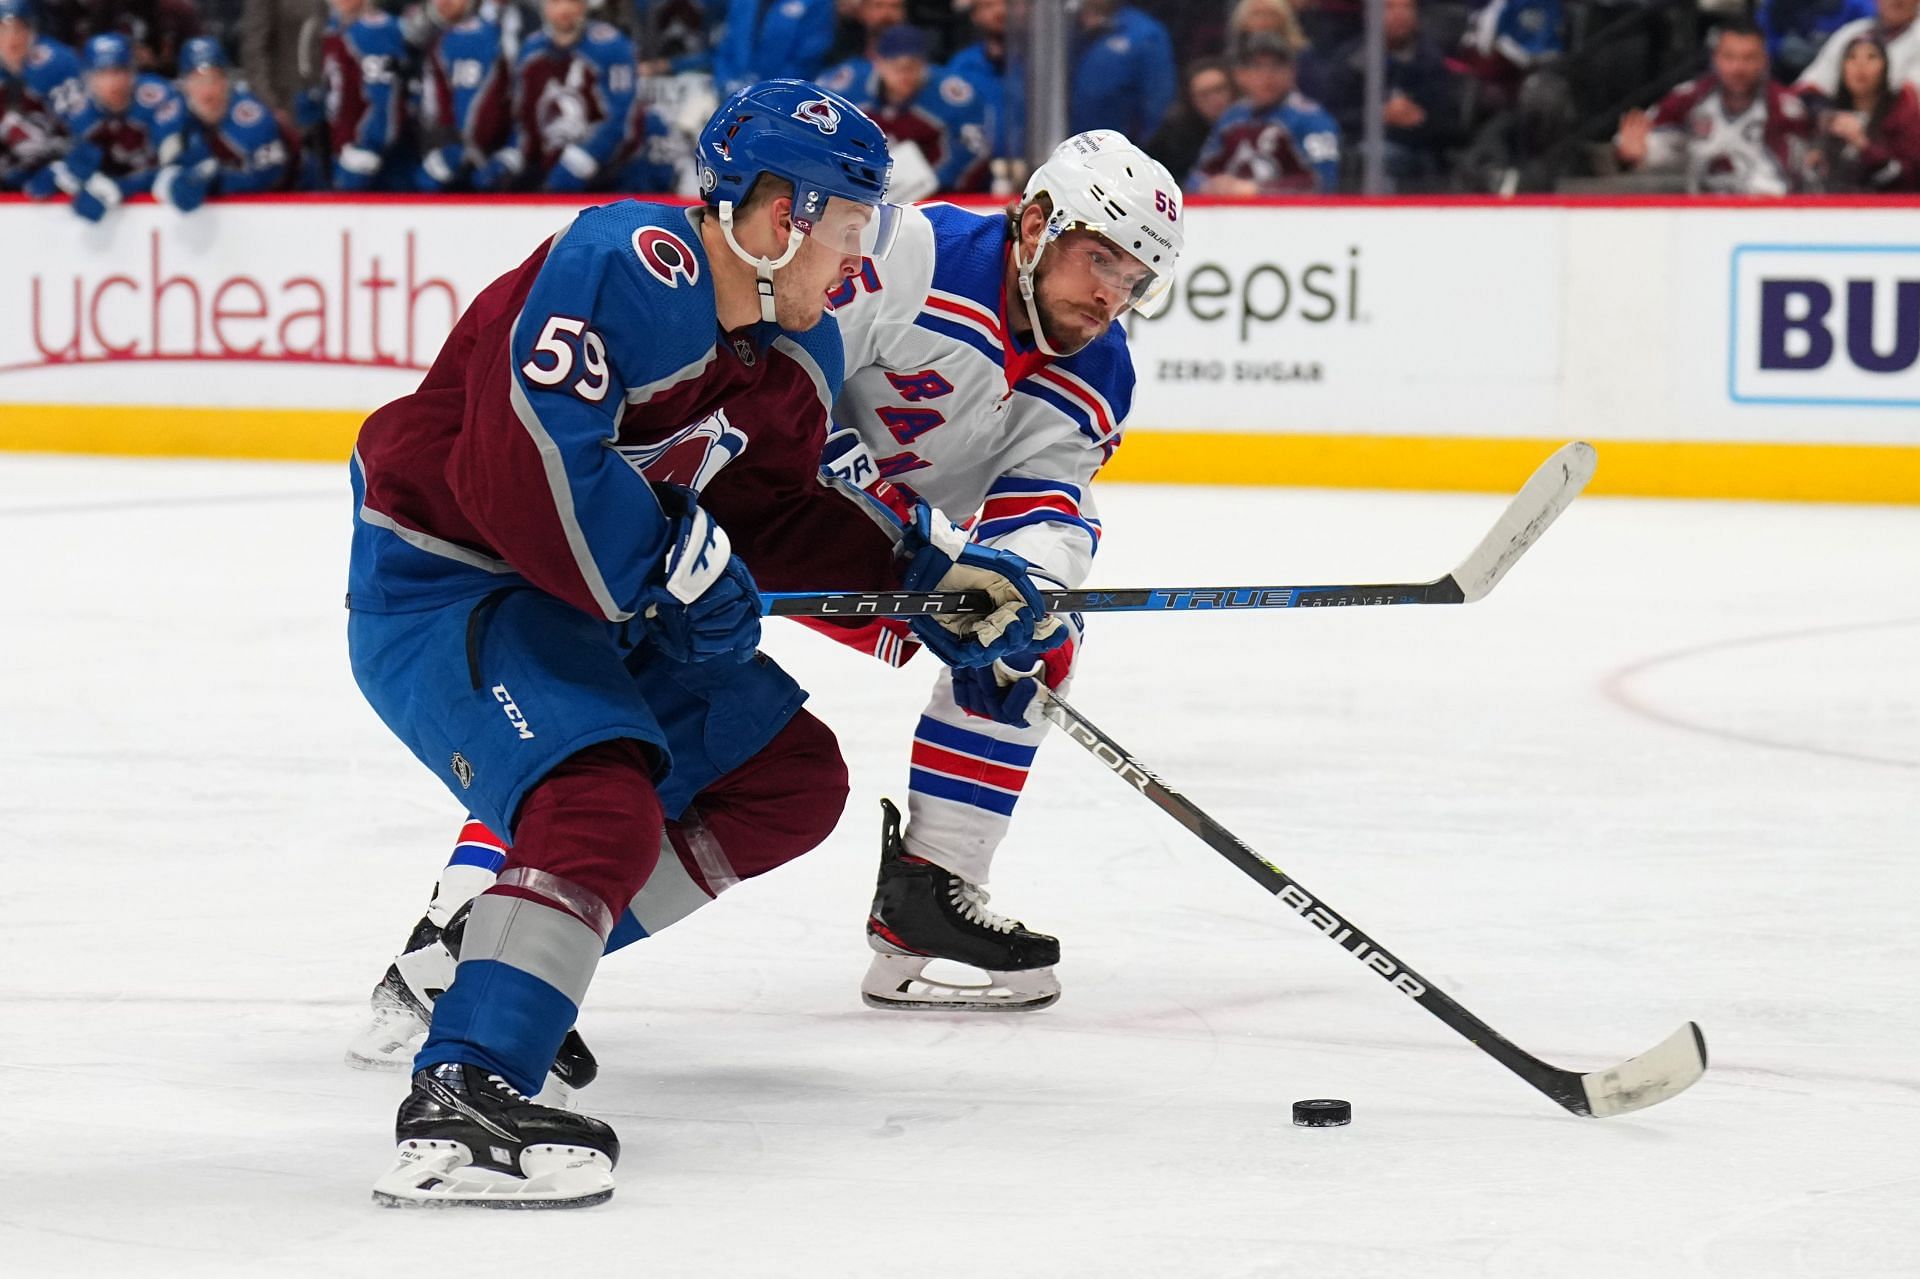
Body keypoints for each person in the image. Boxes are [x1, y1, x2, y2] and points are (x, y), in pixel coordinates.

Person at [346, 127, 1184, 1095]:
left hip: (781, 525)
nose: (1111, 296)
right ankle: (465, 939)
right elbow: (786, 408)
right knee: (586, 726)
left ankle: (928, 885)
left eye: (1135, 281)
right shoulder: (911, 256)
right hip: (668, 521)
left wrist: (991, 578)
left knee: (1013, 649)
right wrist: (897, 537)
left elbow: (1042, 503)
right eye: (1101, 262)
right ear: (1037, 223)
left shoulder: (1098, 370)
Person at [483, 0, 687, 193]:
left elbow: (622, 119)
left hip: (614, 171)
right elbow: (524, 121)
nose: (565, 9)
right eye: (556, 1)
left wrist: (584, 158)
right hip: (551, 163)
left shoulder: (612, 46)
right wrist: (511, 157)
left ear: (585, 5)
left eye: (572, 1)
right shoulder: (531, 51)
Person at [1616, 21, 1812, 196]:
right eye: (1729, 57)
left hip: (1769, 217)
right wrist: (1631, 154)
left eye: (1749, 58)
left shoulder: (1787, 109)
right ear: (1715, 58)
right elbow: (1647, 146)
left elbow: (1804, 174)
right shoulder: (1687, 99)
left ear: (1764, 60)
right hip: (1705, 216)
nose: (1738, 68)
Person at [1304, 0, 1463, 191]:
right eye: (1390, 7)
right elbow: (1330, 115)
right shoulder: (1349, 60)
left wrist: (1420, 119)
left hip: (1416, 155)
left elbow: (1452, 128)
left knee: (1377, 159)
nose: (1400, 15)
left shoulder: (1431, 62)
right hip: (1352, 145)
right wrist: (1377, 115)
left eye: (1407, 7)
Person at [24, 31, 183, 219]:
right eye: (102, 73)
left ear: (133, 72)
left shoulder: (158, 98)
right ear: (87, 77)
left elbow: (174, 168)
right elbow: (71, 165)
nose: (112, 82)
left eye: (119, 71)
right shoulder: (74, 108)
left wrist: (121, 187)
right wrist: (63, 173)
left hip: (159, 213)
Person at [844, 23, 992, 196]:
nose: (904, 74)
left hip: (937, 198)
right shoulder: (849, 90)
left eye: (912, 65)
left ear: (924, 63)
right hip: (863, 196)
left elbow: (976, 150)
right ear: (878, 63)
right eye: (896, 65)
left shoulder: (952, 95)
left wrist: (935, 183)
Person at [1190, 31, 1340, 194]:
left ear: (1292, 72)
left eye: (1277, 66)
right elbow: (1198, 175)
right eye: (1257, 66)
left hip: (1293, 216)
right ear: (1240, 74)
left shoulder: (1311, 119)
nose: (1267, 75)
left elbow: (1323, 181)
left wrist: (1257, 190)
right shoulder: (1232, 118)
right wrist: (1210, 186)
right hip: (1234, 215)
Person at [153, 35, 291, 210]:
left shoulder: (253, 119)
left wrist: (217, 182)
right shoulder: (171, 119)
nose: (208, 91)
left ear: (227, 81)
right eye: (198, 80)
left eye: (214, 79)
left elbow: (271, 177)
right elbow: (158, 171)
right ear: (184, 85)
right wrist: (171, 183)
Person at [409, 0, 513, 191]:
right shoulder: (420, 37)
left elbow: (514, 102)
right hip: (435, 151)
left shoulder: (495, 36)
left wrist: (507, 154)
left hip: (485, 156)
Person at [1809, 33, 1920, 189]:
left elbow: (1909, 177)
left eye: (1871, 57)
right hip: (1834, 208)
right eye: (1852, 57)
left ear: (1885, 67)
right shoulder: (1829, 116)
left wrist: (1863, 146)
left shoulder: (1902, 115)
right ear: (1842, 68)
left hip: (1890, 209)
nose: (1861, 65)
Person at [320, 0, 407, 189]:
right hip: (337, 143)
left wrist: (369, 144)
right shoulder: (328, 30)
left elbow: (385, 99)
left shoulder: (380, 30)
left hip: (366, 150)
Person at [0, 0, 84, 192]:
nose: (12, 38)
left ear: (33, 30)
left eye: (20, 29)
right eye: (2, 30)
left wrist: (65, 169)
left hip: (61, 172)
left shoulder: (57, 64)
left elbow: (89, 132)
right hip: (13, 172)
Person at [1072, 0, 1176, 141]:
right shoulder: (1058, 26)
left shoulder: (1145, 34)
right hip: (1056, 145)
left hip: (1113, 149)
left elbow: (1158, 103)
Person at [1795, 0, 1920, 102]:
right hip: (1841, 122)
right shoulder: (1852, 32)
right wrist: (1825, 115)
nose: (1896, 1)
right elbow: (1810, 85)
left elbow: (1912, 97)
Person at [1146, 56, 1234, 186]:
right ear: (1191, 99)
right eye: (1204, 94)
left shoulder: (1252, 124)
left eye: (1219, 89)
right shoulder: (1173, 136)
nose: (1214, 99)